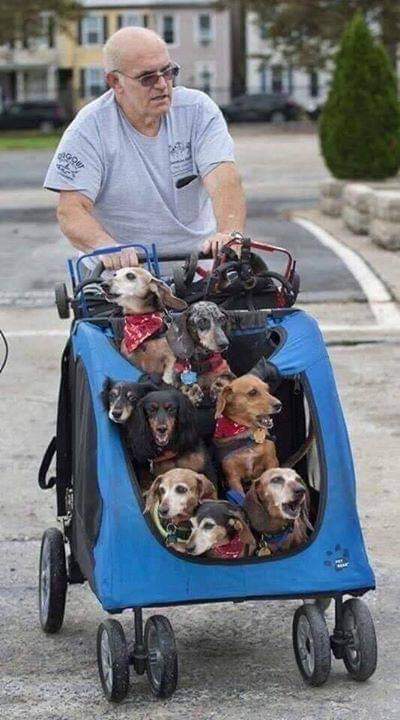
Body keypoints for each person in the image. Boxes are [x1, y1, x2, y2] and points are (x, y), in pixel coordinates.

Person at [44, 26, 246, 271]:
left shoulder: (198, 110)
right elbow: (71, 210)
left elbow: (224, 180)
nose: (162, 84)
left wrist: (228, 232)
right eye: (147, 77)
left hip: (196, 268)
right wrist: (106, 246)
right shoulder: (89, 128)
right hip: (122, 279)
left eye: (168, 72)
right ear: (115, 82)